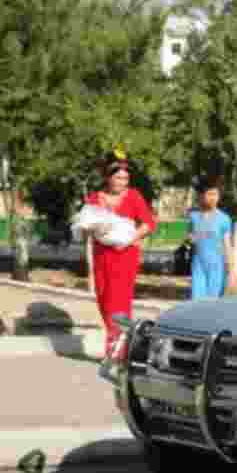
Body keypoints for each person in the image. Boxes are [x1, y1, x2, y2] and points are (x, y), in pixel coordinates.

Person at [85, 149, 156, 357]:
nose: (122, 182)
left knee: (119, 303)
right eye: (118, 177)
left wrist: (128, 240)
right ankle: (118, 345)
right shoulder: (96, 198)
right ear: (108, 177)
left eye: (125, 178)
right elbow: (87, 227)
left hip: (125, 256)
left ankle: (117, 352)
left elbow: (148, 224)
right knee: (104, 300)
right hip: (102, 256)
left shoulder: (133, 196)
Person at [188, 178, 234, 299]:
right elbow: (191, 239)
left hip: (216, 266)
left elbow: (227, 244)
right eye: (210, 194)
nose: (213, 198)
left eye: (216, 194)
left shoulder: (224, 219)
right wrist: (191, 238)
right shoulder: (193, 216)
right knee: (196, 300)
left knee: (212, 301)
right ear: (202, 195)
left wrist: (230, 267)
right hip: (198, 265)